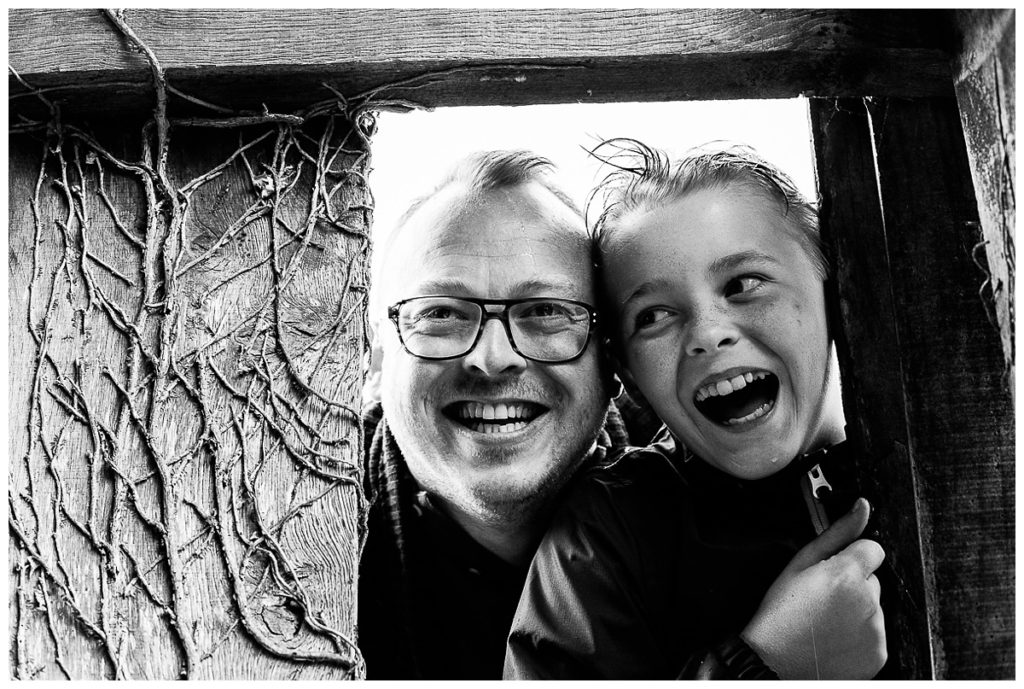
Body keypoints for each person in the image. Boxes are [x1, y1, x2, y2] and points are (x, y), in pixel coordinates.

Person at [504, 141, 888, 680]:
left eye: (743, 284)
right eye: (654, 314)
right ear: (628, 373)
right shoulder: (605, 538)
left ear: (835, 291)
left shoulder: (948, 463)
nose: (707, 334)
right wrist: (767, 665)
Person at [357, 150, 632, 679]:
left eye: (546, 311)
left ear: (611, 358)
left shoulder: (701, 509)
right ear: (375, 353)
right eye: (439, 313)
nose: (492, 358)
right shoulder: (291, 525)